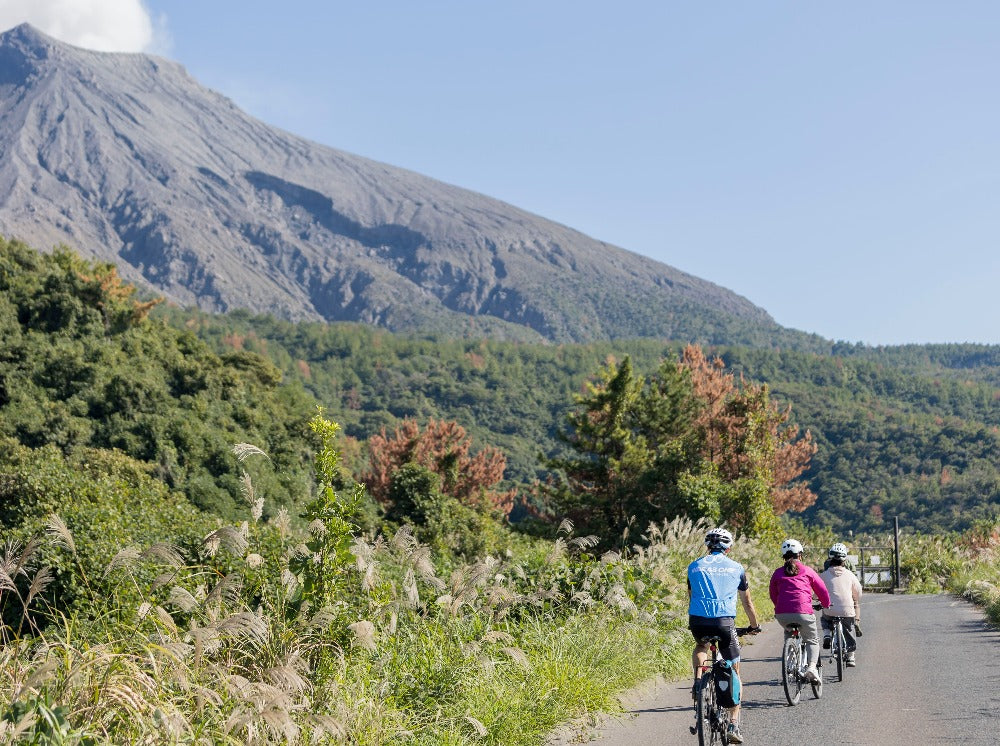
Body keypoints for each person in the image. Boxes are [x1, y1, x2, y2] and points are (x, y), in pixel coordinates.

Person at [688, 527, 760, 745]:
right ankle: (733, 724)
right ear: (728, 547)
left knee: (701, 647)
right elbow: (747, 601)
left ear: (708, 546)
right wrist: (754, 625)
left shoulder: (694, 566)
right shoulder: (737, 568)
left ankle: (698, 683)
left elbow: (691, 596)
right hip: (724, 623)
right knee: (734, 670)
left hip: (698, 621)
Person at [769, 538, 831, 683]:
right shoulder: (808, 571)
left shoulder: (777, 573)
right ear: (800, 555)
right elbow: (822, 590)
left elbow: (773, 594)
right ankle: (811, 668)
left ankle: (790, 666)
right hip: (804, 613)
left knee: (788, 633)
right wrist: (826, 604)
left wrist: (779, 606)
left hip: (782, 614)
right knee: (812, 640)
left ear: (783, 556)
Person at [820, 542, 862, 666]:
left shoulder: (823, 575)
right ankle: (851, 657)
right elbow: (858, 593)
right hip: (847, 609)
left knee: (825, 617)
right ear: (844, 560)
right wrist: (854, 598)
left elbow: (817, 591)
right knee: (849, 629)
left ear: (830, 558)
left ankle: (827, 634)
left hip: (830, 609)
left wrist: (818, 599)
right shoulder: (850, 575)